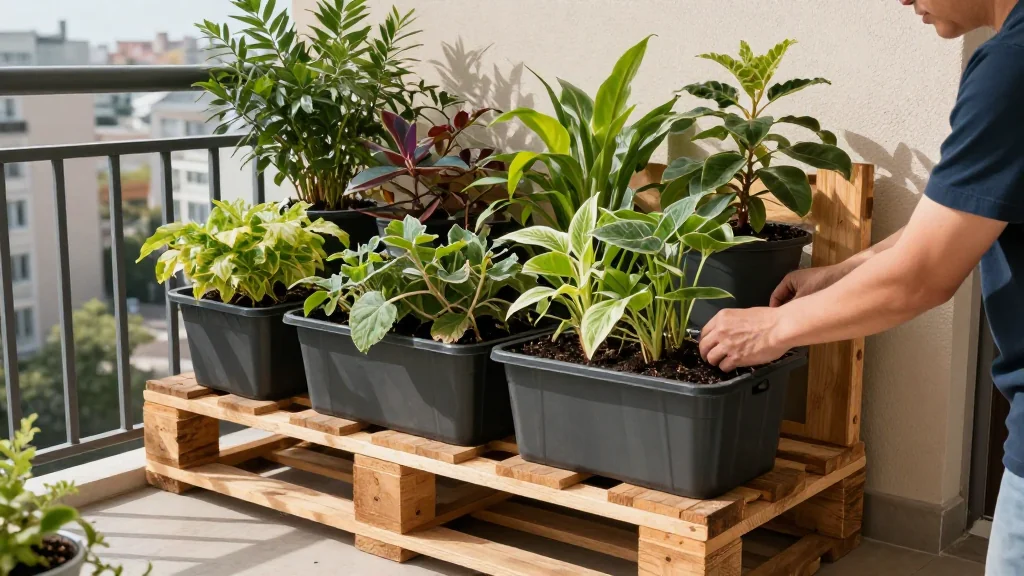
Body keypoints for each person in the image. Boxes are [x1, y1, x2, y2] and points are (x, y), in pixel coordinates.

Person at [697, 0, 1024, 572]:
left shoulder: (1012, 67)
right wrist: (836, 275)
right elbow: (949, 224)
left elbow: (922, 277)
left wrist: (772, 328)